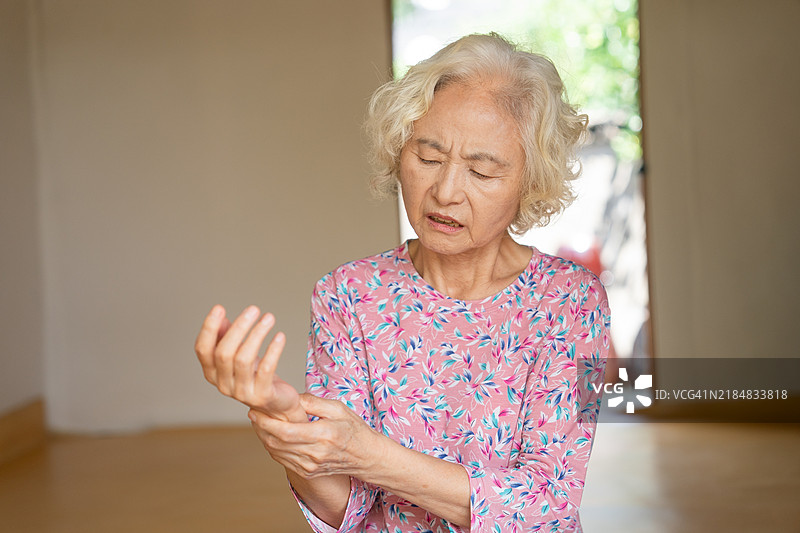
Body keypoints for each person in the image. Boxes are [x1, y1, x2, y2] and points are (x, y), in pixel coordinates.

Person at [194, 33, 610, 533]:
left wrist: (367, 453)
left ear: (530, 181)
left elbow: (548, 504)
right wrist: (292, 430)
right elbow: (347, 510)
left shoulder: (573, 301)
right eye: (428, 158)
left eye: (481, 172)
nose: (445, 191)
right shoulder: (348, 295)